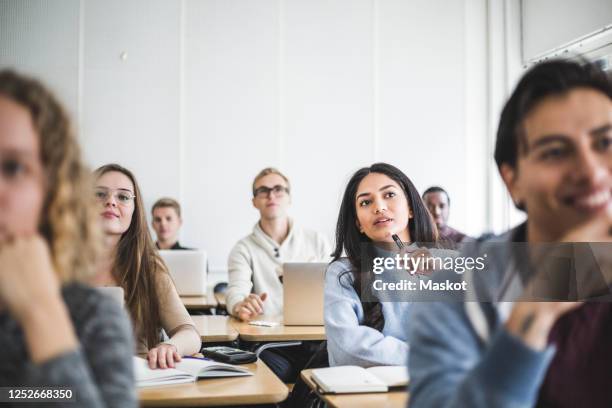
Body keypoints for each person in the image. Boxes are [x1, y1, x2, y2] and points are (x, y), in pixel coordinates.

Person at [408, 59, 612, 408]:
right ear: (512, 180)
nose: (591, 172)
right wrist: (535, 312)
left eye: (606, 142)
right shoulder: (460, 286)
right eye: (556, 152)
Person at [0, 70, 136, 406]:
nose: (111, 204)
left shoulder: (91, 317)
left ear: (53, 191)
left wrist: (42, 314)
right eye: (102, 195)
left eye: (14, 168)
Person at [325, 163, 451, 367]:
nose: (379, 207)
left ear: (410, 208)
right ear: (359, 223)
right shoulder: (343, 274)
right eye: (365, 202)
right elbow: (348, 350)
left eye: (389, 195)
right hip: (370, 392)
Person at [226, 167, 330, 382]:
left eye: (278, 189)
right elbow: (236, 291)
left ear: (289, 197)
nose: (271, 195)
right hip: (272, 345)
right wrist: (239, 306)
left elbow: (336, 291)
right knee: (269, 374)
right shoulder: (243, 248)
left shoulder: (316, 240)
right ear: (254, 201)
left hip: (318, 341)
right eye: (263, 191)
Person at [93, 164, 201, 369]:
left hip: (138, 382)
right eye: (99, 194)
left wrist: (170, 346)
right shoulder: (57, 266)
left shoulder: (148, 268)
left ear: (135, 211)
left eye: (123, 197)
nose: (110, 202)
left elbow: (190, 334)